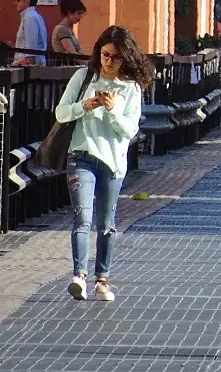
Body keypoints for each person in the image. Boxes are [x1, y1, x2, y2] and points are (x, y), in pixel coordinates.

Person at [56, 25, 152, 301]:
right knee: (82, 217)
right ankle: (79, 276)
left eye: (116, 57)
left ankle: (102, 279)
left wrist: (110, 110)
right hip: (81, 157)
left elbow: (130, 130)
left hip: (112, 163)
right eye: (105, 55)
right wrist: (84, 106)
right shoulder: (84, 76)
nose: (108, 62)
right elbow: (61, 113)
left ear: (126, 58)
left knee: (106, 223)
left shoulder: (131, 87)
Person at [13, 0, 48, 66]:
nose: (16, 3)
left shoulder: (29, 17)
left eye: (18, 0)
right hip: (30, 65)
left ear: (27, 1)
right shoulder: (35, 16)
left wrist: (29, 63)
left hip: (25, 67)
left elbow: (31, 44)